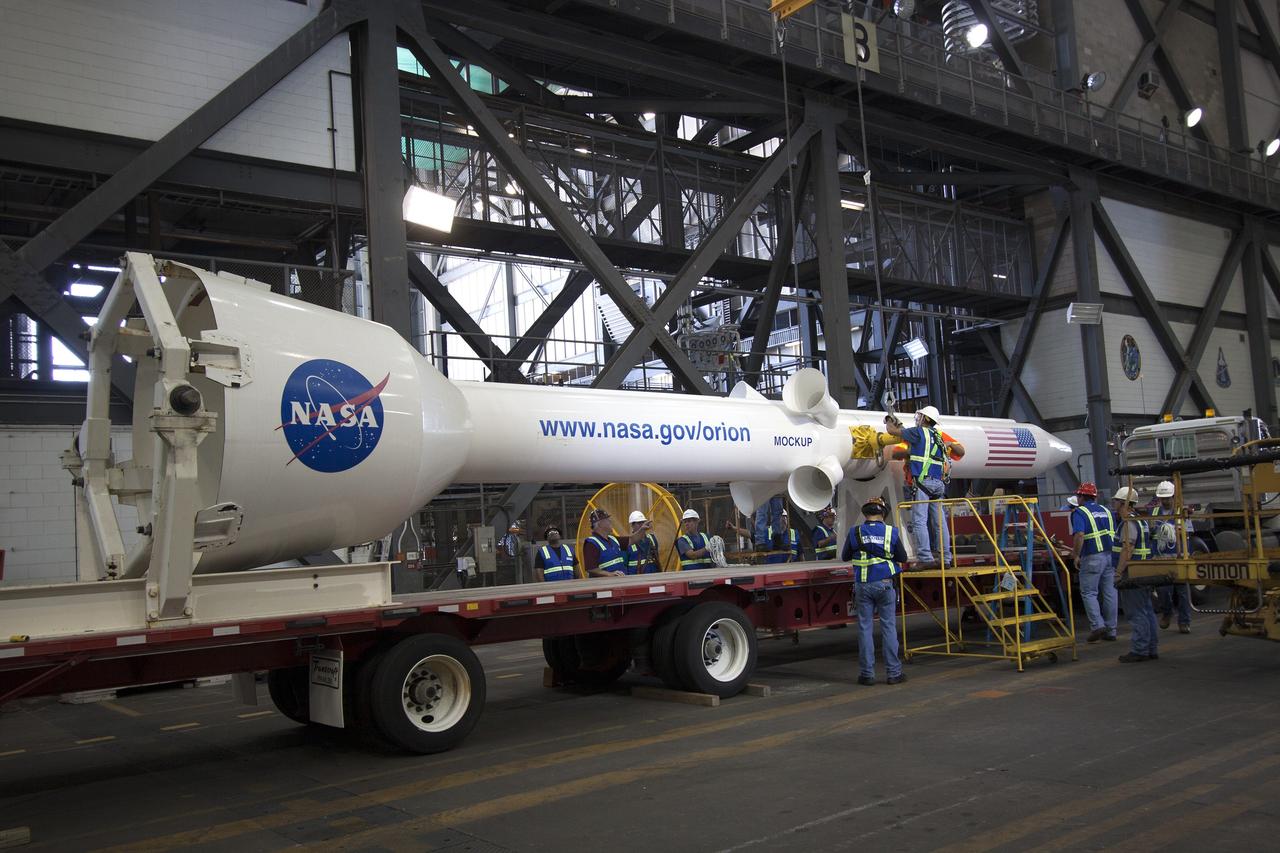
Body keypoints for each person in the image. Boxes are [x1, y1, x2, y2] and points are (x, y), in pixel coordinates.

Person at [885, 406, 964, 567]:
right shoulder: (939, 436)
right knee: (940, 523)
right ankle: (946, 559)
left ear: (926, 419)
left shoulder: (918, 432)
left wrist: (888, 419)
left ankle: (925, 559)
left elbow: (892, 432)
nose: (918, 418)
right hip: (938, 484)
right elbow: (960, 451)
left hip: (923, 483)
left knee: (919, 521)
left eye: (920, 416)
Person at [842, 497, 909, 686]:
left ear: (865, 514)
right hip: (885, 584)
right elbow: (902, 557)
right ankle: (894, 674)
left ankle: (867, 675)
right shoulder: (891, 532)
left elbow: (845, 556)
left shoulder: (855, 532)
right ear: (883, 514)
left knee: (865, 628)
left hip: (863, 585)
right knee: (888, 627)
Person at [1113, 486, 1159, 663]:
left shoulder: (1128, 523)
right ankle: (1151, 648)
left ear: (1124, 503)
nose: (1114, 503)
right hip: (1144, 570)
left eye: (1116, 500)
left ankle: (1140, 649)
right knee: (1147, 610)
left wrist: (1118, 572)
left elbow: (1127, 548)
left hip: (1132, 573)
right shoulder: (1141, 521)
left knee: (1136, 612)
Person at [1070, 482, 1117, 643]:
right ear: (1095, 497)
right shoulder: (1106, 511)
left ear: (1081, 497)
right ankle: (1111, 630)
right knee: (1110, 592)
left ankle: (1097, 626)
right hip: (1110, 556)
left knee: (1089, 593)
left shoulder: (1080, 512)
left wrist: (1076, 555)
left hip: (1092, 557)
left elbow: (1079, 535)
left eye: (1078, 495)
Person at [1151, 480, 1191, 633]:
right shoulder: (1154, 513)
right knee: (1163, 590)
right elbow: (1151, 535)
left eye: (1168, 498)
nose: (1165, 501)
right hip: (1161, 558)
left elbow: (1188, 535)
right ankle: (1167, 613)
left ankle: (1184, 621)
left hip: (1179, 558)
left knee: (1182, 592)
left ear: (1173, 497)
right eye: (1163, 498)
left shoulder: (1182, 512)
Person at [582, 509, 627, 577]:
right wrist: (609, 574)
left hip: (618, 582)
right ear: (600, 523)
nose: (610, 521)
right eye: (607, 519)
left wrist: (642, 529)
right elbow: (591, 569)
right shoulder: (591, 543)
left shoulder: (613, 539)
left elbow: (632, 539)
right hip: (603, 585)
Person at [626, 510, 661, 574]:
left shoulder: (652, 538)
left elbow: (657, 557)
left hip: (653, 575)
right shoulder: (628, 542)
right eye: (639, 523)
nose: (642, 525)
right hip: (636, 579)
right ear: (632, 525)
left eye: (643, 522)